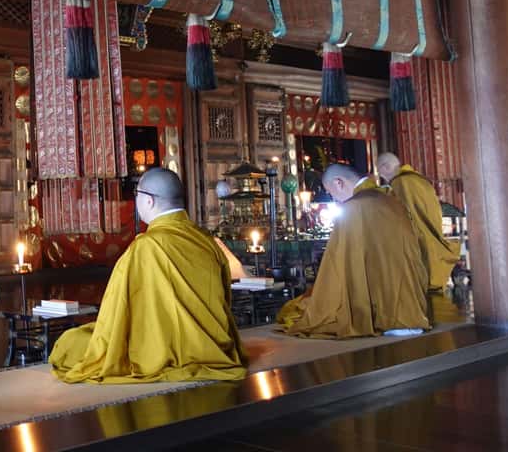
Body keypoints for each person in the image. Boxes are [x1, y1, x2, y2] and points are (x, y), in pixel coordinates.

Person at [49, 168, 247, 384]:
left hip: (160, 347)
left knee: (70, 344)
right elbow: (223, 298)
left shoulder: (147, 246)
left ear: (149, 201)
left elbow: (116, 311)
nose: (136, 200)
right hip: (214, 345)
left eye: (138, 194)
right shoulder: (207, 240)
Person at [278, 164, 430, 338]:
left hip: (383, 315)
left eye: (332, 193)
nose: (335, 199)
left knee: (304, 309)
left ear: (339, 183)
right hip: (414, 306)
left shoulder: (354, 207)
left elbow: (337, 263)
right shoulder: (391, 198)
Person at [376, 152, 460, 292]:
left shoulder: (400, 183)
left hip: (417, 248)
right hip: (432, 243)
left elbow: (399, 219)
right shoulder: (420, 180)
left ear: (385, 167)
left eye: (380, 172)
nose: (381, 176)